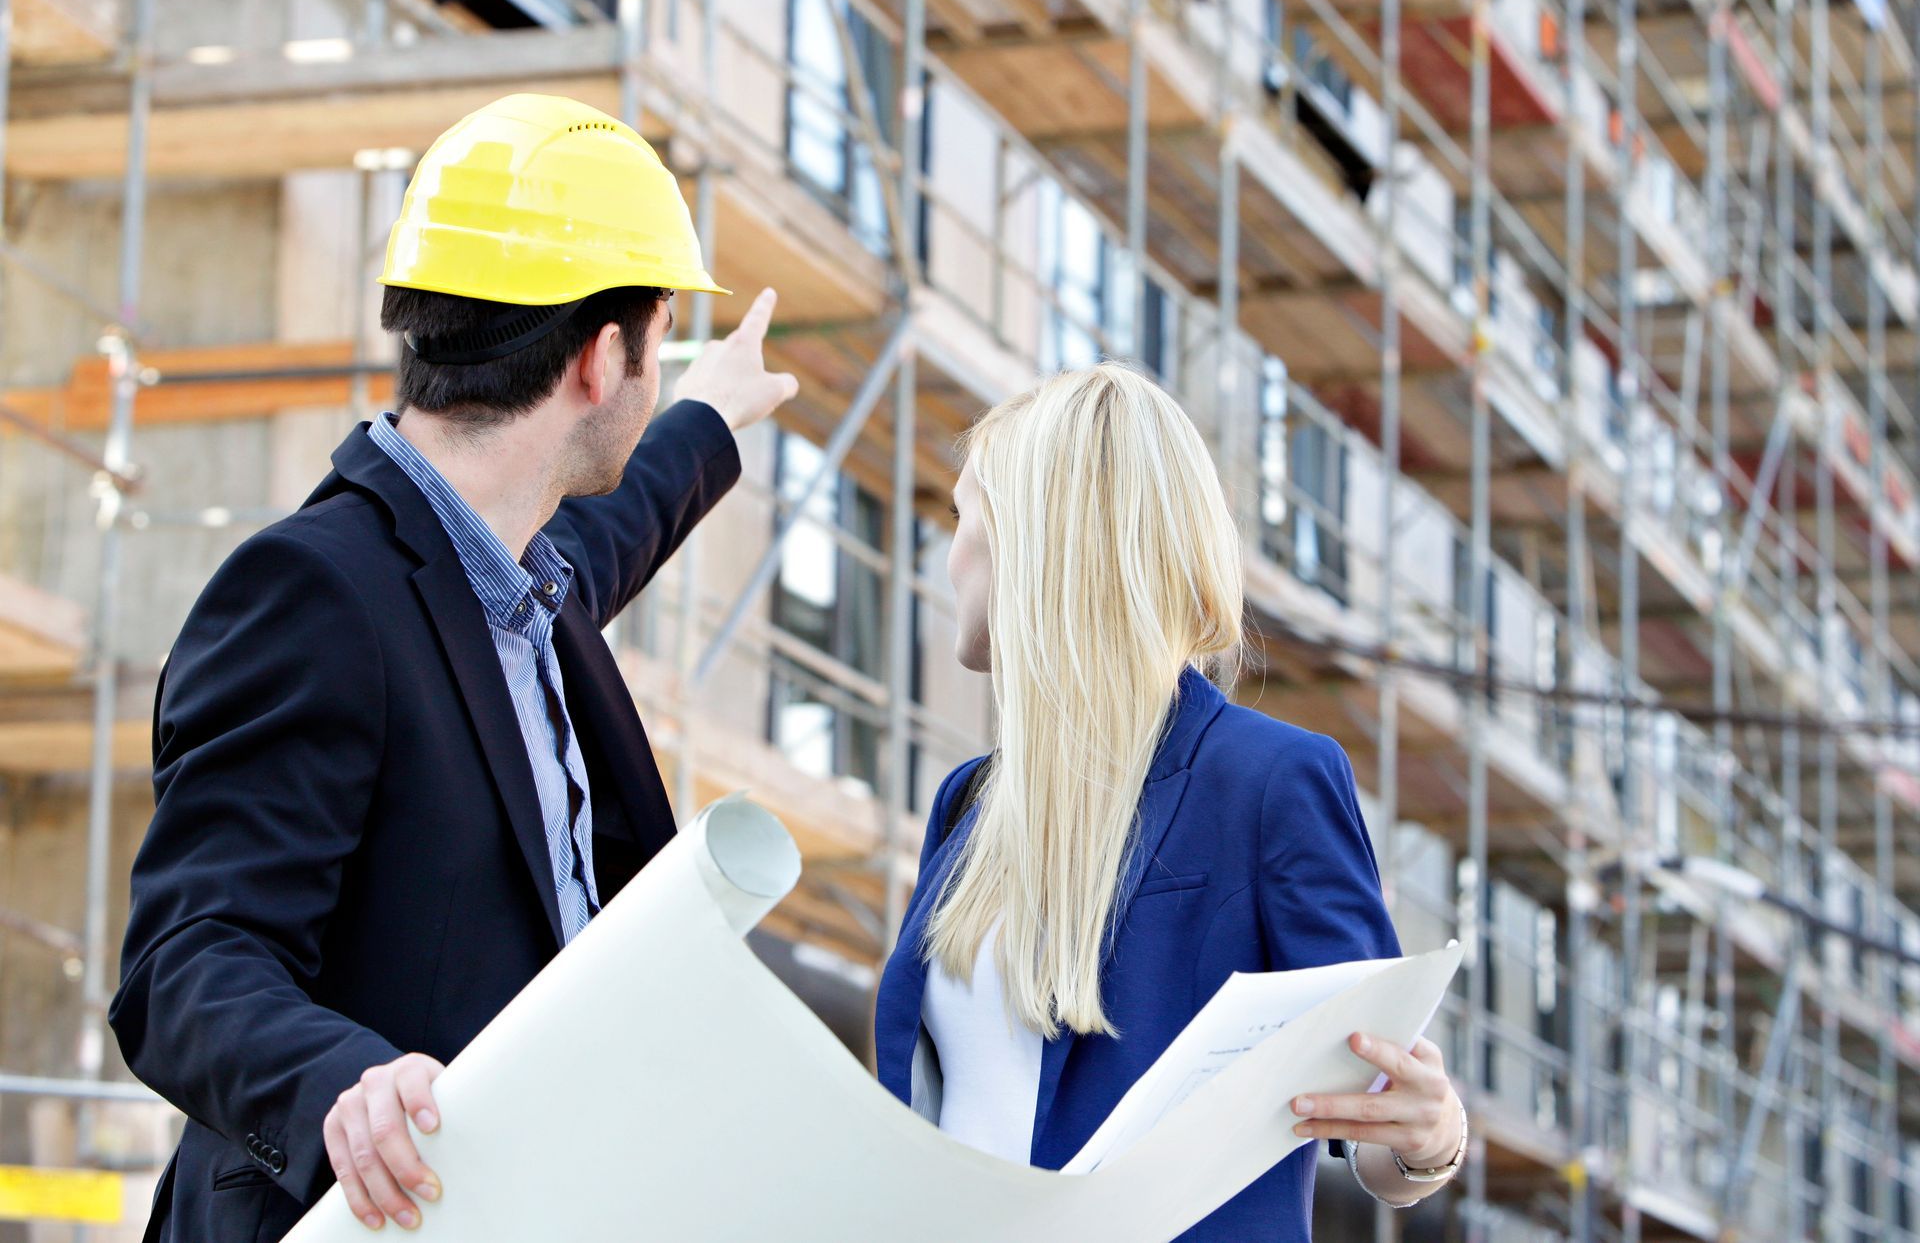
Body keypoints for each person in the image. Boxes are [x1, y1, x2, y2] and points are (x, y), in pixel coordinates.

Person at [109, 94, 799, 1241]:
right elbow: (186, 964)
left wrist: (709, 419)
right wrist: (341, 1086)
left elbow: (611, 530)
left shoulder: (523, 586)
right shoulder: (313, 594)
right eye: (659, 341)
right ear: (601, 359)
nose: (656, 374)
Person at [873, 363, 1468, 1239]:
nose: (948, 550)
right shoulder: (968, 805)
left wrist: (1432, 1136)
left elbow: (1370, 1102)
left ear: (1036, 541)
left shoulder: (1269, 782)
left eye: (964, 516)